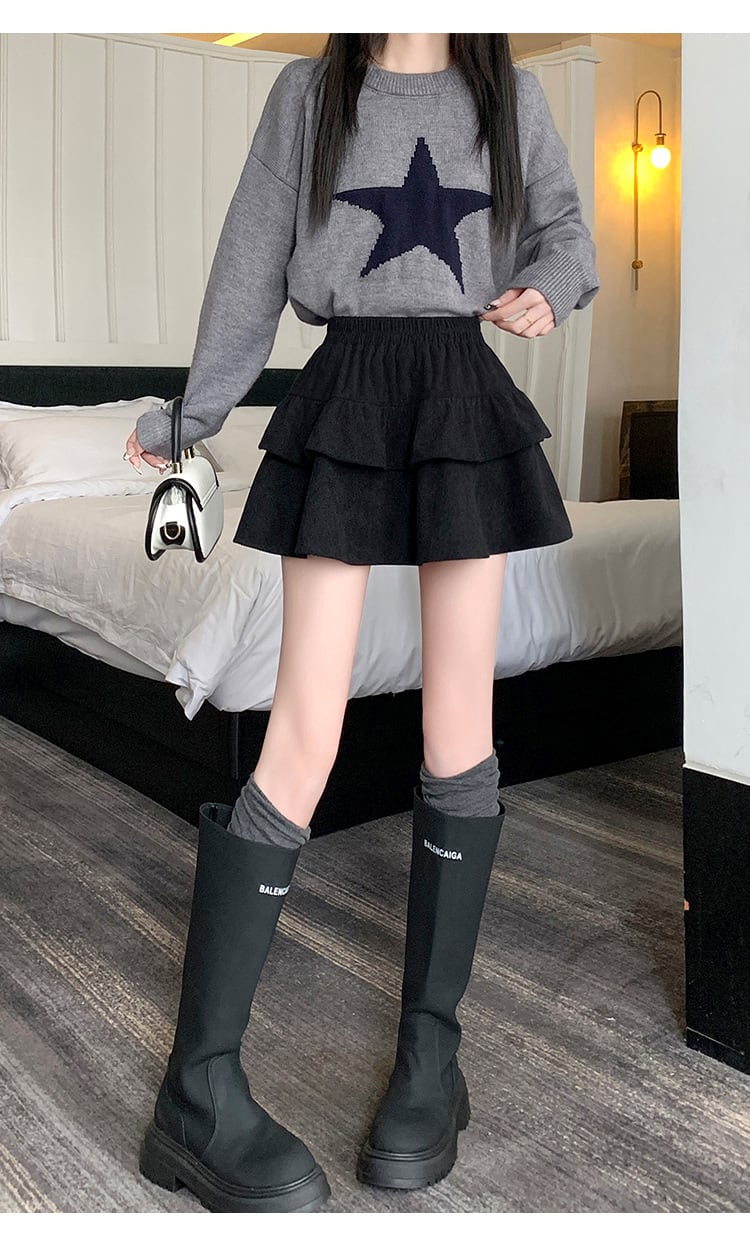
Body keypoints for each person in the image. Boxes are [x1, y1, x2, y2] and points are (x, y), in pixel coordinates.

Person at [126, 32, 600, 1213]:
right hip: (343, 392)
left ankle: (430, 1063)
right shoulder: (308, 93)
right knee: (305, 728)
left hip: (464, 395)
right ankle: (197, 1089)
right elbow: (249, 262)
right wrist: (191, 416)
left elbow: (566, 230)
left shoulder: (512, 94)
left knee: (460, 725)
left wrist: (552, 284)